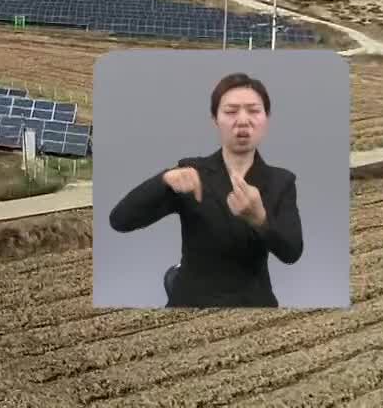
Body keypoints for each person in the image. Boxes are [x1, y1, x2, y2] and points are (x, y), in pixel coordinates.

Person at [108, 72, 304, 307]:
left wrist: (260, 220)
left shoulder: (281, 181)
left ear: (266, 118)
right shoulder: (192, 173)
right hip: (190, 301)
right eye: (231, 112)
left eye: (253, 111)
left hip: (252, 302)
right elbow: (120, 220)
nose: (243, 120)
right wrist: (163, 180)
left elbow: (292, 251)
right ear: (215, 119)